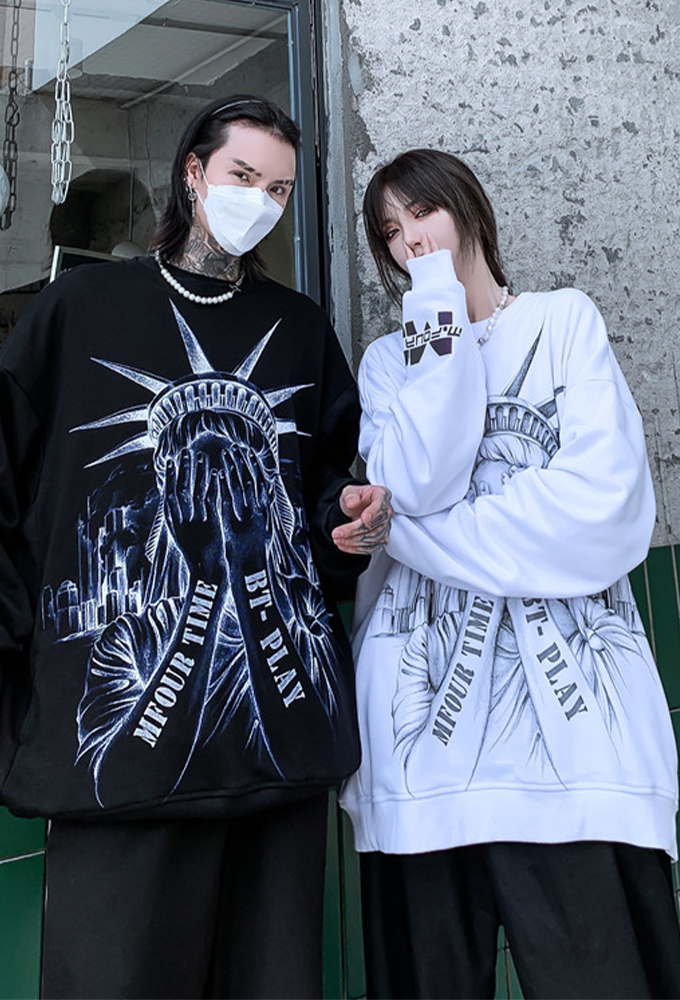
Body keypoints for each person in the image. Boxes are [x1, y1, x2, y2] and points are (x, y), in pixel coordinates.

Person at [0, 94, 391, 1000]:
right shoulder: (79, 309)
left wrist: (352, 523)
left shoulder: (299, 330)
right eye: (243, 175)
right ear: (192, 172)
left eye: (279, 189)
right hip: (121, 774)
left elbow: (324, 505)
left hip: (283, 762)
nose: (260, 201)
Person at [339, 147, 680, 999]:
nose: (410, 239)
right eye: (391, 230)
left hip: (576, 739)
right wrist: (437, 308)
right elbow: (420, 480)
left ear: (469, 210)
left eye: (422, 213)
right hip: (422, 743)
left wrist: (415, 537)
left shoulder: (564, 323)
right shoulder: (388, 364)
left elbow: (601, 511)